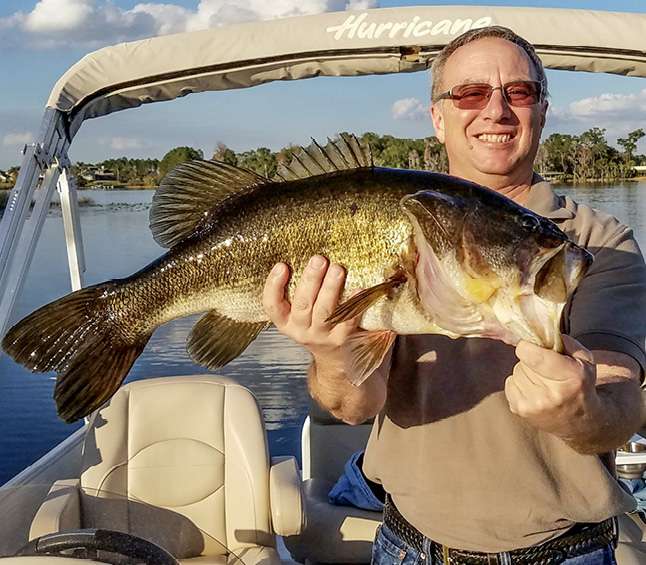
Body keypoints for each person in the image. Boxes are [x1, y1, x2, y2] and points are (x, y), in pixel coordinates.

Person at [262, 26, 646, 565]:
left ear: (542, 109)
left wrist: (580, 408)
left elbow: (621, 403)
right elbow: (352, 407)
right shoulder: (400, 230)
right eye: (471, 93)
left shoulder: (599, 244)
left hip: (564, 551)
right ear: (438, 118)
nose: (497, 111)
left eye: (520, 92)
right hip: (406, 546)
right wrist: (330, 352)